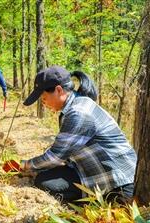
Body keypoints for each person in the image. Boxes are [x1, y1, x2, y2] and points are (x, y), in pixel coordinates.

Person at [20, 66, 137, 202]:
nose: (43, 103)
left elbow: (56, 157)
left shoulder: (78, 112)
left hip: (119, 182)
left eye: (44, 98)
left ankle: (92, 202)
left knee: (44, 182)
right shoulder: (75, 106)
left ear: (59, 90)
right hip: (93, 171)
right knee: (45, 176)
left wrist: (25, 165)